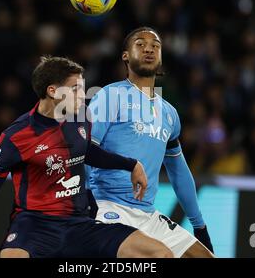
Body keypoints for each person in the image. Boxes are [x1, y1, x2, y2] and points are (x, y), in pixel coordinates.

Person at [0, 56, 174, 258]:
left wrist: (131, 165)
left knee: (160, 253)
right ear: (53, 91)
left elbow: (86, 151)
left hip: (80, 224)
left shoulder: (81, 119)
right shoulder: (16, 137)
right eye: (75, 89)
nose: (83, 95)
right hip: (34, 225)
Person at [86, 27, 215, 258]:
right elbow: (84, 152)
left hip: (148, 215)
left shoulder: (169, 114)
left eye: (155, 45)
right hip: (108, 208)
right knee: (160, 256)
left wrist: (199, 226)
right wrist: (84, 204)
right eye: (140, 44)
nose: (149, 49)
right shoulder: (108, 96)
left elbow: (179, 171)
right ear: (125, 55)